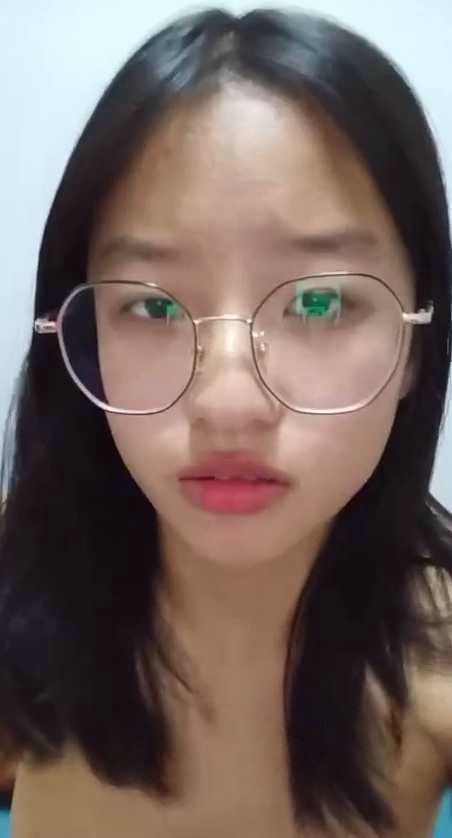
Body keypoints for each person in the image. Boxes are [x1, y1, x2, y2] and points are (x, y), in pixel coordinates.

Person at [1, 7, 452, 837]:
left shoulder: (437, 673)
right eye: (152, 306)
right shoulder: (21, 599)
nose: (228, 404)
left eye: (319, 303)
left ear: (417, 346)